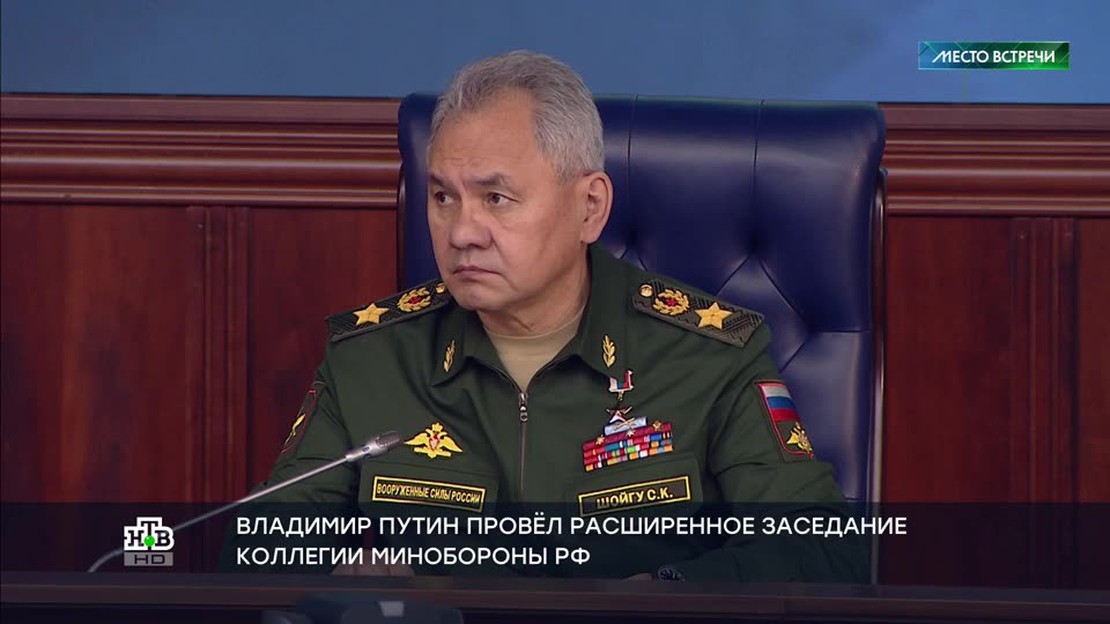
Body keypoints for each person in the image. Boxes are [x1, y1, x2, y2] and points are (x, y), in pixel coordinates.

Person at [226, 50, 865, 582]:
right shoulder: (370, 358)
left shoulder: (708, 356)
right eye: (443, 197)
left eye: (497, 198)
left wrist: (661, 593)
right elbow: (261, 547)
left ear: (590, 208)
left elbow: (823, 551)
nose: (461, 232)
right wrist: (339, 574)